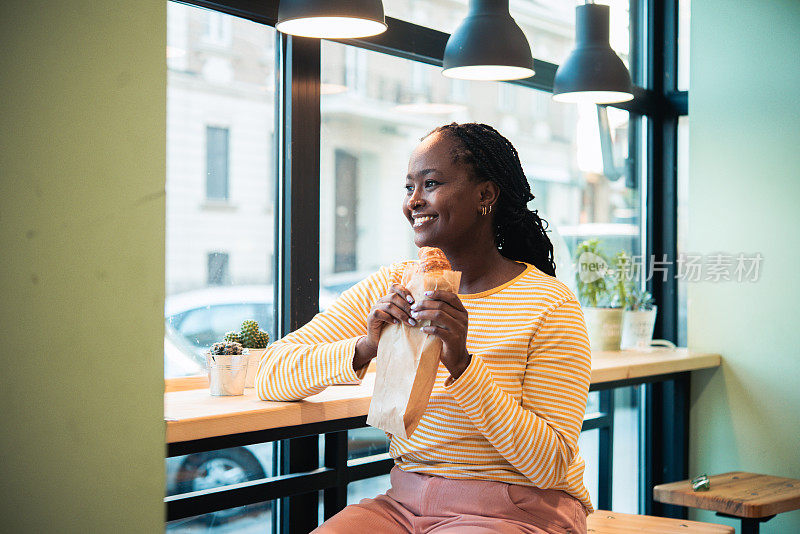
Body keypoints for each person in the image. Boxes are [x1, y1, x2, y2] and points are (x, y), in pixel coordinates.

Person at [256, 122, 592, 534]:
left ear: (486, 195)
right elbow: (271, 373)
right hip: (404, 504)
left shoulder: (549, 304)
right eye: (408, 187)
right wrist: (364, 346)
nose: (414, 201)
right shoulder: (395, 284)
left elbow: (552, 463)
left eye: (430, 184)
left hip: (514, 508)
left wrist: (463, 364)